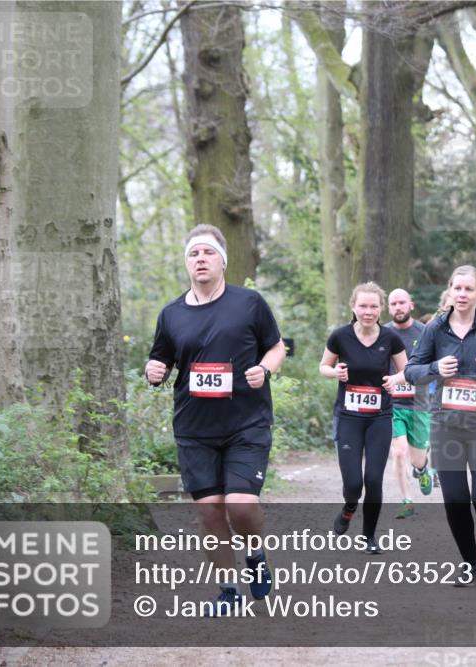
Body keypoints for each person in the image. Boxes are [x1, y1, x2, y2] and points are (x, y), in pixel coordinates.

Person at [146, 224, 286, 615]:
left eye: (208, 252)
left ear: (222, 261)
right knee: (209, 511)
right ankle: (228, 591)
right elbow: (160, 358)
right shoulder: (171, 314)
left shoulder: (249, 303)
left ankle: (255, 553)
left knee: (240, 506)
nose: (201, 259)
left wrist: (265, 369)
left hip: (247, 423)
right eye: (194, 254)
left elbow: (276, 347)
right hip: (195, 428)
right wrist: (152, 370)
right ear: (186, 263)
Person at [401, 266, 476, 584]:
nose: (463, 294)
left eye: (469, 289)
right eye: (458, 288)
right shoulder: (435, 329)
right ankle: (470, 563)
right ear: (450, 291)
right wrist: (435, 367)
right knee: (454, 499)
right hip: (446, 425)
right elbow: (412, 370)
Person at [319, 282, 407, 554]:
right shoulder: (340, 336)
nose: (368, 312)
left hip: (379, 416)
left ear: (381, 309)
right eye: (363, 306)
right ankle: (349, 507)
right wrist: (336, 374)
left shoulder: (391, 338)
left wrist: (395, 379)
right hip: (349, 417)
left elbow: (407, 370)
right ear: (353, 307)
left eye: (373, 306)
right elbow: (324, 366)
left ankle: (368, 537)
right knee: (354, 483)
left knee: (373, 479)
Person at [384, 289, 434, 519]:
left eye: (402, 302)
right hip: (393, 404)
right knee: (398, 452)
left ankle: (423, 469)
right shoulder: (382, 333)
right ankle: (407, 501)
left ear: (411, 305)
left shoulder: (425, 332)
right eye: (393, 303)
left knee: (417, 458)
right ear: (388, 307)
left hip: (419, 403)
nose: (398, 307)